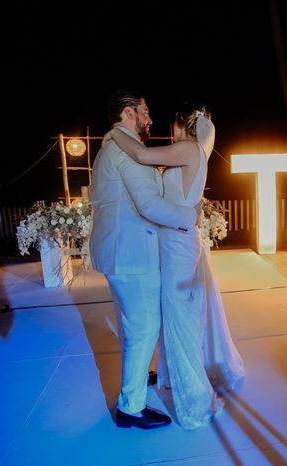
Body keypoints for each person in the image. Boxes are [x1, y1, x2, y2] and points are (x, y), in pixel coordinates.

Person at [103, 102, 245, 430]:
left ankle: (195, 400)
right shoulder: (194, 151)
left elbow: (141, 156)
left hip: (177, 245)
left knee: (181, 321)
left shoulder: (186, 147)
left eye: (172, 124)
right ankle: (173, 378)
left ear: (181, 125)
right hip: (177, 242)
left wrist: (113, 134)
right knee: (178, 318)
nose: (169, 129)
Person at [89, 90, 199, 430]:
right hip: (133, 254)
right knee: (144, 327)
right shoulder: (126, 152)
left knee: (131, 324)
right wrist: (188, 217)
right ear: (129, 112)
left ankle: (136, 380)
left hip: (119, 252)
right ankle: (131, 408)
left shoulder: (110, 147)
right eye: (145, 111)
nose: (150, 117)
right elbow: (149, 205)